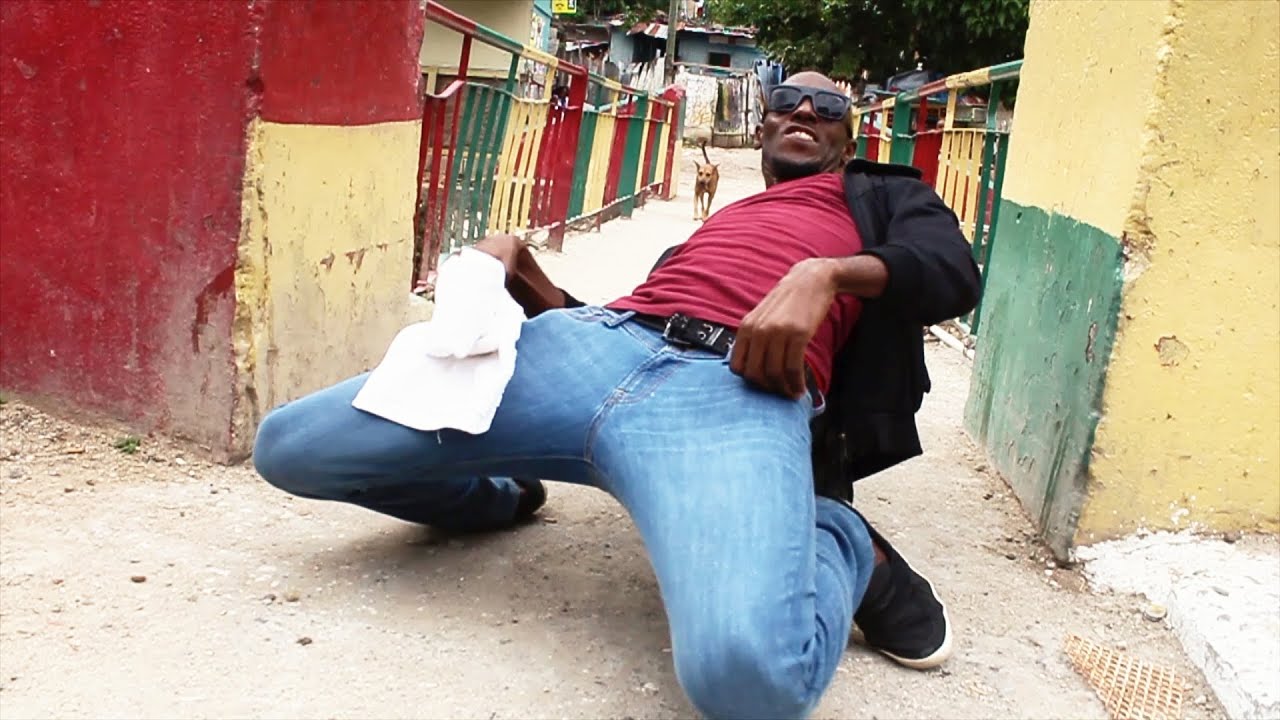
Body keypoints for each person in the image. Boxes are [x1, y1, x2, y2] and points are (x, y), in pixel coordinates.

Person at [253, 71, 979, 719]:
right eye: (789, 99)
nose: (807, 110)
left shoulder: (885, 199)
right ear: (764, 124)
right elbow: (613, 311)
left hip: (737, 393)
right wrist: (520, 266)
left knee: (749, 682)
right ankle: (497, 498)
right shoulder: (725, 221)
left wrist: (826, 275)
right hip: (600, 344)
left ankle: (840, 540)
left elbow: (951, 271)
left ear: (848, 140)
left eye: (828, 106)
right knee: (291, 449)